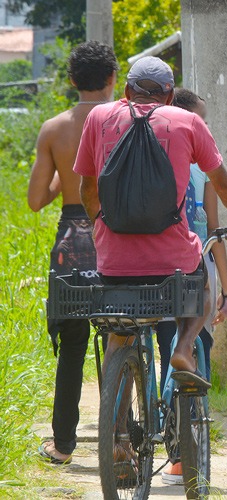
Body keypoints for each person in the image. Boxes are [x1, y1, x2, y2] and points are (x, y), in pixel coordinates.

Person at [73, 56, 227, 389]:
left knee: (119, 339)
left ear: (126, 90)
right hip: (173, 263)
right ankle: (182, 349)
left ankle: (119, 433)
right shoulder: (188, 121)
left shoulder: (99, 118)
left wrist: (102, 226)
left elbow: (89, 189)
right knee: (203, 290)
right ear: (169, 96)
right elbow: (223, 184)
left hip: (115, 263)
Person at [27, 40, 119, 465]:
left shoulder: (54, 128)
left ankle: (63, 444)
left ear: (70, 80)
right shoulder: (125, 121)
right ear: (113, 78)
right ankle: (120, 441)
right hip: (119, 233)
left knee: (72, 342)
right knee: (123, 333)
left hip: (74, 239)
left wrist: (66, 176)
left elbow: (34, 200)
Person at [157, 87, 227, 485]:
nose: (204, 126)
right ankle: (181, 457)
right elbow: (214, 227)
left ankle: (135, 444)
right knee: (190, 350)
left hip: (147, 268)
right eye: (201, 119)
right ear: (187, 119)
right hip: (192, 270)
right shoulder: (202, 164)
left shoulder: (151, 153)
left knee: (159, 352)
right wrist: (226, 291)